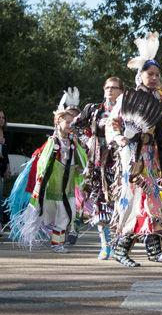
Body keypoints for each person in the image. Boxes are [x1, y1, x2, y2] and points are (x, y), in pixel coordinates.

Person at [106, 32, 162, 267]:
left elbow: (159, 136)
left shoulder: (157, 101)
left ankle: (154, 251)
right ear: (141, 75)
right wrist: (122, 139)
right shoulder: (127, 97)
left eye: (158, 74)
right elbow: (112, 123)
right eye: (150, 74)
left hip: (151, 157)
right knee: (137, 200)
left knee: (153, 200)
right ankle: (120, 249)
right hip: (132, 157)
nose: (155, 78)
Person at [8, 88, 86, 253]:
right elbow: (43, 164)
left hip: (68, 187)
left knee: (69, 214)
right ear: (58, 122)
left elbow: (81, 160)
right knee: (50, 214)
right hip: (52, 187)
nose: (71, 125)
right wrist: (40, 182)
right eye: (67, 122)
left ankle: (57, 243)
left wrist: (82, 172)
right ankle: (56, 243)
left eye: (73, 122)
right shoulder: (53, 142)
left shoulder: (73, 142)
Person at [73, 76, 124, 260]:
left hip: (120, 162)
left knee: (119, 205)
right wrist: (88, 141)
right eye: (107, 87)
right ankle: (105, 245)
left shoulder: (126, 111)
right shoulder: (93, 109)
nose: (110, 90)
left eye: (115, 87)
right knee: (100, 204)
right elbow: (75, 125)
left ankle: (118, 245)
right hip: (98, 165)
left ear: (121, 91)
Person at [0, 109, 10, 226]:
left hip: (1, 170)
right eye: (0, 118)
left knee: (1, 196)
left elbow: (6, 154)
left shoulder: (5, 134)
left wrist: (8, 167)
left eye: (3, 118)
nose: (1, 120)